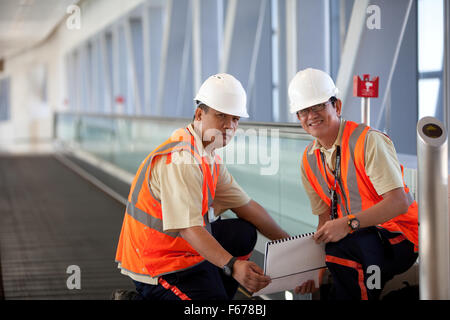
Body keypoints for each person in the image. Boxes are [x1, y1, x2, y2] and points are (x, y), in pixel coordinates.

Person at [113, 73, 290, 300]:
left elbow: (247, 206)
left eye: (235, 119)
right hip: (157, 263)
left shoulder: (208, 156)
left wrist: (289, 248)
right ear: (199, 114)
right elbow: (189, 228)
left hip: (184, 249)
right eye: (221, 116)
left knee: (243, 233)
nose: (229, 126)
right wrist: (233, 266)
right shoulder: (181, 159)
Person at [289, 68, 418, 300]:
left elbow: (399, 202)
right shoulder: (308, 160)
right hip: (360, 237)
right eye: (303, 111)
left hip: (400, 236)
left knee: (346, 245)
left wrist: (349, 224)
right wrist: (316, 268)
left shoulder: (367, 141)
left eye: (318, 106)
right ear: (298, 118)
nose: (311, 115)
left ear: (336, 106)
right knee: (336, 257)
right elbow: (324, 220)